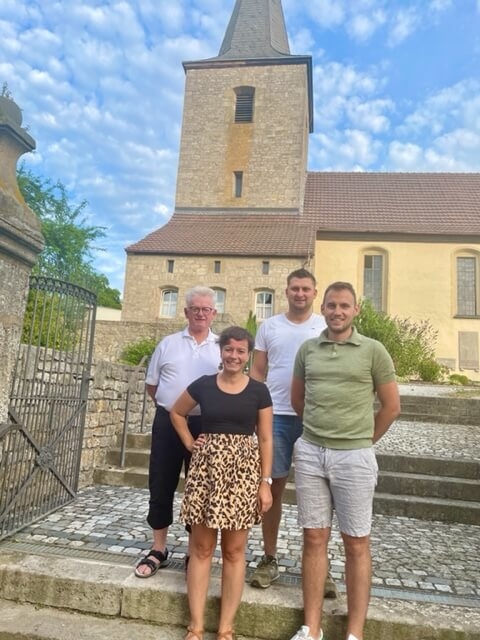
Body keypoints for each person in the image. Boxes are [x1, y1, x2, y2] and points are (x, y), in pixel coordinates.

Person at [289, 281, 401, 640]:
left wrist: (362, 442)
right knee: (313, 538)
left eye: (344, 306)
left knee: (356, 542)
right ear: (323, 309)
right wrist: (320, 431)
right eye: (332, 305)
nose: (337, 311)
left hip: (354, 457)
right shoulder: (308, 349)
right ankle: (312, 629)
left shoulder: (373, 351)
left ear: (356, 311)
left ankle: (355, 633)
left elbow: (391, 407)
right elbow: (297, 400)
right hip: (310, 452)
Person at [170, 326, 273, 640]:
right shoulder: (204, 385)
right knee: (201, 549)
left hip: (242, 475)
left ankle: (226, 628)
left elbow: (266, 438)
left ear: (248, 355)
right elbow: (176, 411)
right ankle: (196, 626)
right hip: (206, 474)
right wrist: (190, 441)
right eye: (229, 349)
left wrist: (265, 482)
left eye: (241, 351)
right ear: (221, 351)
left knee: (234, 551)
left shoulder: (258, 391)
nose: (234, 356)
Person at [249, 268, 336, 598]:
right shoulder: (269, 326)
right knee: (271, 489)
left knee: (320, 494)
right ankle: (269, 557)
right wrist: (254, 412)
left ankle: (319, 566)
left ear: (315, 294)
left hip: (316, 419)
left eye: (306, 289)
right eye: (295, 288)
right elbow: (258, 371)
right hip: (277, 417)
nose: (300, 293)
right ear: (286, 291)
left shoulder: (325, 327)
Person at [134, 286, 220, 578]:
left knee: (199, 489)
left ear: (214, 314)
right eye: (195, 308)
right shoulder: (168, 344)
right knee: (161, 483)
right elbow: (152, 386)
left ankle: (193, 551)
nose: (200, 313)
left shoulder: (222, 347)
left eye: (206, 309)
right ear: (185, 312)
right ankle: (159, 547)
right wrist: (173, 409)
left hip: (206, 426)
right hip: (169, 422)